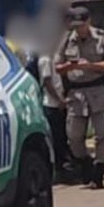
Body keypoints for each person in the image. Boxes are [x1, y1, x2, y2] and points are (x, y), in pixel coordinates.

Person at [55, 7, 104, 189]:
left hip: (97, 89)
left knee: (102, 133)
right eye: (76, 26)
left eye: (81, 25)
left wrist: (90, 65)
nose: (79, 29)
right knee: (74, 136)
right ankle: (85, 163)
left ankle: (99, 170)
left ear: (88, 21)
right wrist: (70, 66)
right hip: (76, 93)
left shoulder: (102, 37)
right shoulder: (66, 40)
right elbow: (57, 67)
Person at [38, 52, 71, 180]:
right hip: (51, 105)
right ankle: (58, 170)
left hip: (59, 104)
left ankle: (63, 167)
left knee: (62, 138)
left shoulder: (56, 56)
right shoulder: (46, 58)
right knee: (56, 139)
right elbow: (47, 82)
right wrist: (59, 100)